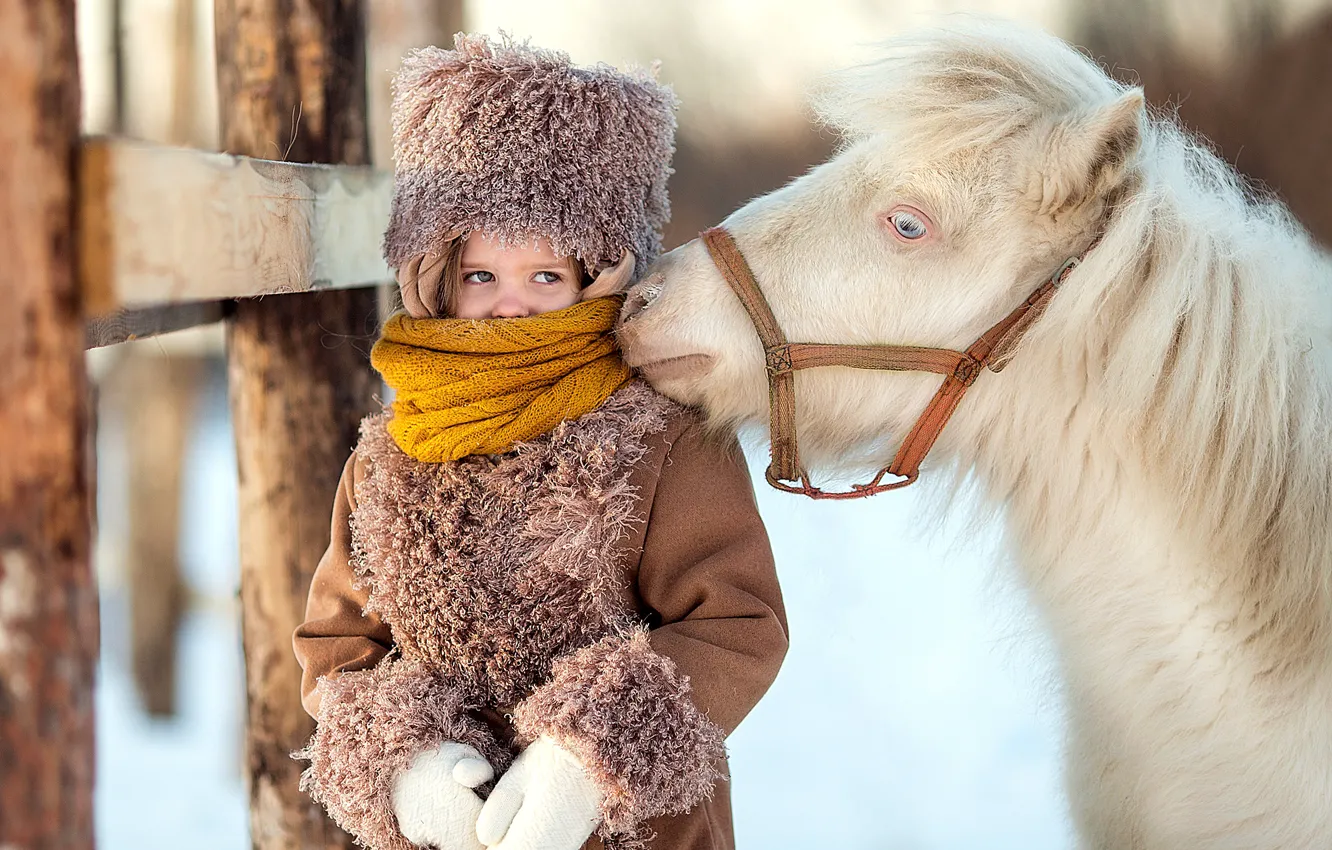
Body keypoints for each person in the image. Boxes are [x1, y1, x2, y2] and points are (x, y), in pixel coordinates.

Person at [293, 35, 788, 850]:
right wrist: (406, 763)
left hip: (632, 830)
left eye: (545, 277)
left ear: (597, 277)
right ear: (438, 280)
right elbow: (340, 645)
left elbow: (738, 623)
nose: (512, 304)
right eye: (483, 275)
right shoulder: (390, 453)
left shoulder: (661, 437)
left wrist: (588, 758)